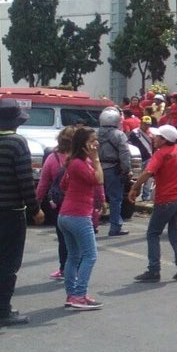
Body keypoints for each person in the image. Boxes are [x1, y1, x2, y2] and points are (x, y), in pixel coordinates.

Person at [0, 98, 45, 326]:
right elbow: (25, 181)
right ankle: (2, 311)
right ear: (15, 122)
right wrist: (35, 209)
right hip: (12, 211)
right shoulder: (17, 143)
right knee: (8, 264)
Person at [128, 124, 177, 283]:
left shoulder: (160, 154)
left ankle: (154, 270)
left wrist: (134, 187)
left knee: (153, 234)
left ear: (164, 140)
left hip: (166, 199)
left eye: (157, 136)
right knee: (175, 236)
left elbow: (148, 172)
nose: (153, 138)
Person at [57, 126, 105, 310]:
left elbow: (64, 185)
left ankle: (73, 293)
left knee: (74, 256)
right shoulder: (80, 163)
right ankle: (78, 295)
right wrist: (96, 160)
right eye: (92, 140)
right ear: (83, 143)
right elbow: (98, 180)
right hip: (78, 215)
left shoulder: (74, 162)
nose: (96, 143)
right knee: (90, 255)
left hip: (67, 214)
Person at [35, 127, 75, 280]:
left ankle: (64, 268)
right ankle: (76, 269)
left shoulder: (53, 158)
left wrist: (36, 204)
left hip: (60, 205)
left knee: (63, 237)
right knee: (79, 239)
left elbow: (43, 183)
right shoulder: (83, 158)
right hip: (81, 204)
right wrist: (100, 200)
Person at [97, 107, 131, 237]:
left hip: (98, 167)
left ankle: (93, 224)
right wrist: (126, 169)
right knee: (115, 199)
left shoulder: (96, 133)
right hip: (113, 169)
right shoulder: (119, 134)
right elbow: (124, 153)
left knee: (95, 197)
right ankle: (115, 226)